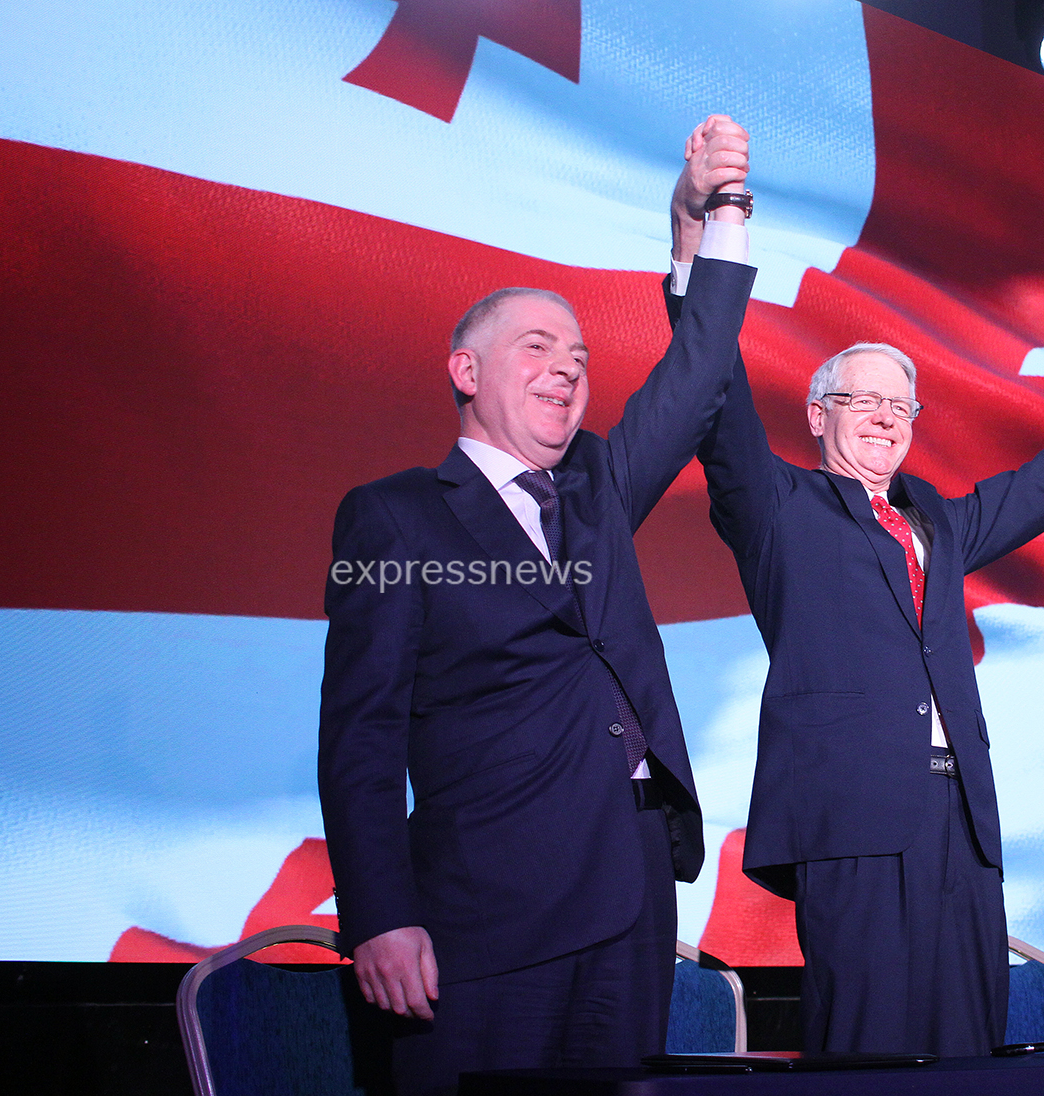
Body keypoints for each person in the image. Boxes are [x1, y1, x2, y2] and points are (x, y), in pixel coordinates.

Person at [318, 116, 756, 1093]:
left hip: (631, 890)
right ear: (466, 372)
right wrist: (380, 914)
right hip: (486, 915)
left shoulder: (599, 482)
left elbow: (696, 377)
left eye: (579, 354)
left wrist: (704, 226)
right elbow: (361, 733)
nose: (567, 365)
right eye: (536, 345)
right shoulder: (392, 517)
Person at [672, 255, 1044, 1056]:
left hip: (962, 818)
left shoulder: (939, 523)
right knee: (870, 1042)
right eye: (864, 400)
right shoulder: (778, 505)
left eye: (901, 405)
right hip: (855, 819)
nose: (886, 417)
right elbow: (718, 393)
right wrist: (698, 256)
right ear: (816, 415)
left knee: (968, 1043)